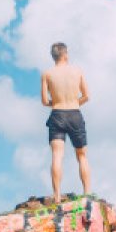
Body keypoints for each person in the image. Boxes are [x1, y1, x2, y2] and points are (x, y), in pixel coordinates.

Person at [40, 42, 91, 203]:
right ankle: (87, 193)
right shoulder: (77, 71)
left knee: (57, 155)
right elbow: (87, 96)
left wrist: (55, 103)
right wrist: (74, 103)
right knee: (82, 156)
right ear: (65, 54)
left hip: (57, 113)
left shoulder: (47, 74)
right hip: (74, 113)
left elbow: (44, 101)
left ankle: (56, 196)